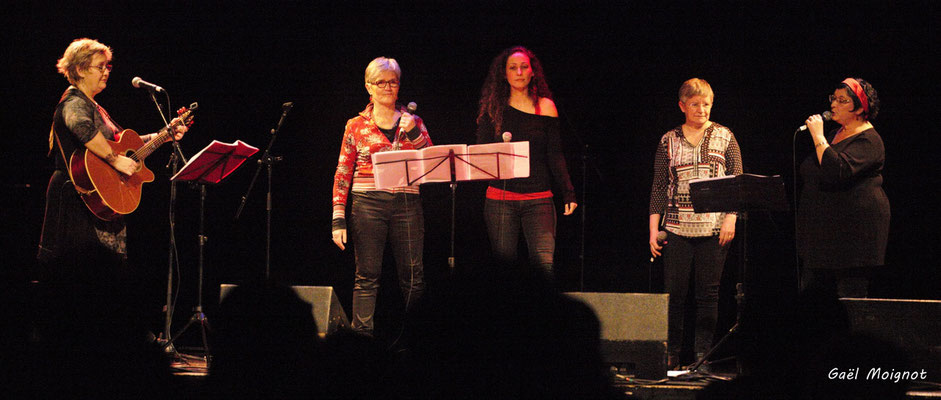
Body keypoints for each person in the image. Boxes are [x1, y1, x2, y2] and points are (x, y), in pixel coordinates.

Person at [37, 38, 186, 276]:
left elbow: (128, 145)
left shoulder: (96, 108)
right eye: (100, 66)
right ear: (79, 69)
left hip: (101, 200)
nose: (106, 72)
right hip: (76, 198)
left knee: (102, 279)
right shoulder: (74, 102)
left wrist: (165, 135)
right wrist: (115, 160)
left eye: (108, 66)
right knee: (77, 276)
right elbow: (81, 128)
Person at [331, 57, 431, 335]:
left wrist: (413, 132)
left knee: (413, 277)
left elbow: (430, 161)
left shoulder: (413, 121)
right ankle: (361, 340)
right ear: (369, 87)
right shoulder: (356, 125)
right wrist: (338, 218)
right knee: (367, 277)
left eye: (393, 82)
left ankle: (417, 339)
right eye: (381, 82)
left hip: (407, 203)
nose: (388, 87)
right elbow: (342, 171)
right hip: (368, 205)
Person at [648, 78, 742, 369]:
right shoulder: (668, 140)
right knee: (674, 295)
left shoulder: (725, 136)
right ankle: (671, 356)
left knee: (708, 295)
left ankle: (701, 359)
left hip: (714, 228)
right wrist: (654, 229)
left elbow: (738, 182)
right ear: (682, 106)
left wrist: (731, 218)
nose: (702, 109)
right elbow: (659, 186)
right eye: (695, 104)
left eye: (706, 104)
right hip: (677, 228)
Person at [475, 46, 577, 281]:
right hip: (500, 199)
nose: (519, 72)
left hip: (539, 199)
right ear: (504, 74)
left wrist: (568, 192)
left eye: (524, 67)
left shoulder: (546, 106)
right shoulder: (493, 109)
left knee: (544, 268)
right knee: (503, 270)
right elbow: (481, 153)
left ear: (533, 72)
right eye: (513, 68)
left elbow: (555, 153)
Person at [797, 78, 888, 298]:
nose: (833, 105)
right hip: (823, 233)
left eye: (842, 100)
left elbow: (836, 171)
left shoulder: (870, 141)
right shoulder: (835, 135)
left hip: (854, 234)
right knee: (813, 299)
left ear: (859, 108)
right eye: (833, 99)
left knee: (849, 298)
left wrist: (818, 136)